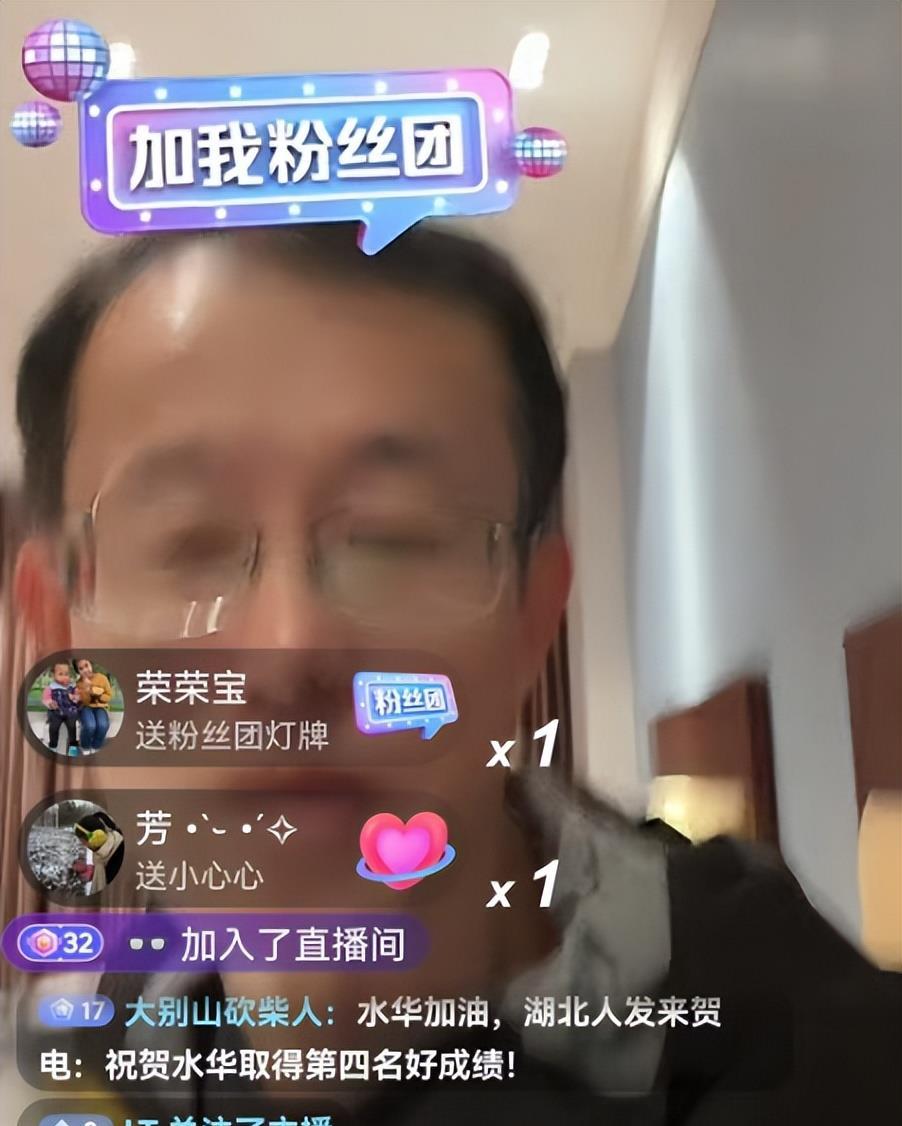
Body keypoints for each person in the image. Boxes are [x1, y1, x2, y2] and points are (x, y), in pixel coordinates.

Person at [11, 225, 898, 1122]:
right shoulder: (84, 1046)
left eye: (393, 539)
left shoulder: (819, 1053)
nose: (288, 649)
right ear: (60, 639)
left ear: (532, 619)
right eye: (190, 542)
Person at [73, 810, 125, 893]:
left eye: (84, 842)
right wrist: (94, 871)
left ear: (95, 838)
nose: (85, 846)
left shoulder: (119, 856)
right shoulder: (103, 853)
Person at [39, 660, 79, 756]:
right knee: (53, 728)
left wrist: (75, 697)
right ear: (53, 675)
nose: (64, 677)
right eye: (60, 674)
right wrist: (50, 704)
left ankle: (73, 747)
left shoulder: (72, 686)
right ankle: (53, 746)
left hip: (70, 712)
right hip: (56, 712)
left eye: (66, 674)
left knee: (72, 728)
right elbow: (45, 698)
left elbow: (78, 697)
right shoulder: (51, 688)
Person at [72, 656, 113, 751]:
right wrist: (86, 690)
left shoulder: (102, 678)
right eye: (81, 668)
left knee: (103, 725)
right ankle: (85, 746)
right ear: (78, 671)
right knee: (90, 725)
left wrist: (94, 691)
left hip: (101, 707)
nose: (85, 670)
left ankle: (95, 746)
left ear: (91, 664)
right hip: (86, 707)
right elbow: (84, 701)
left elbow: (108, 696)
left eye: (86, 665)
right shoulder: (79, 683)